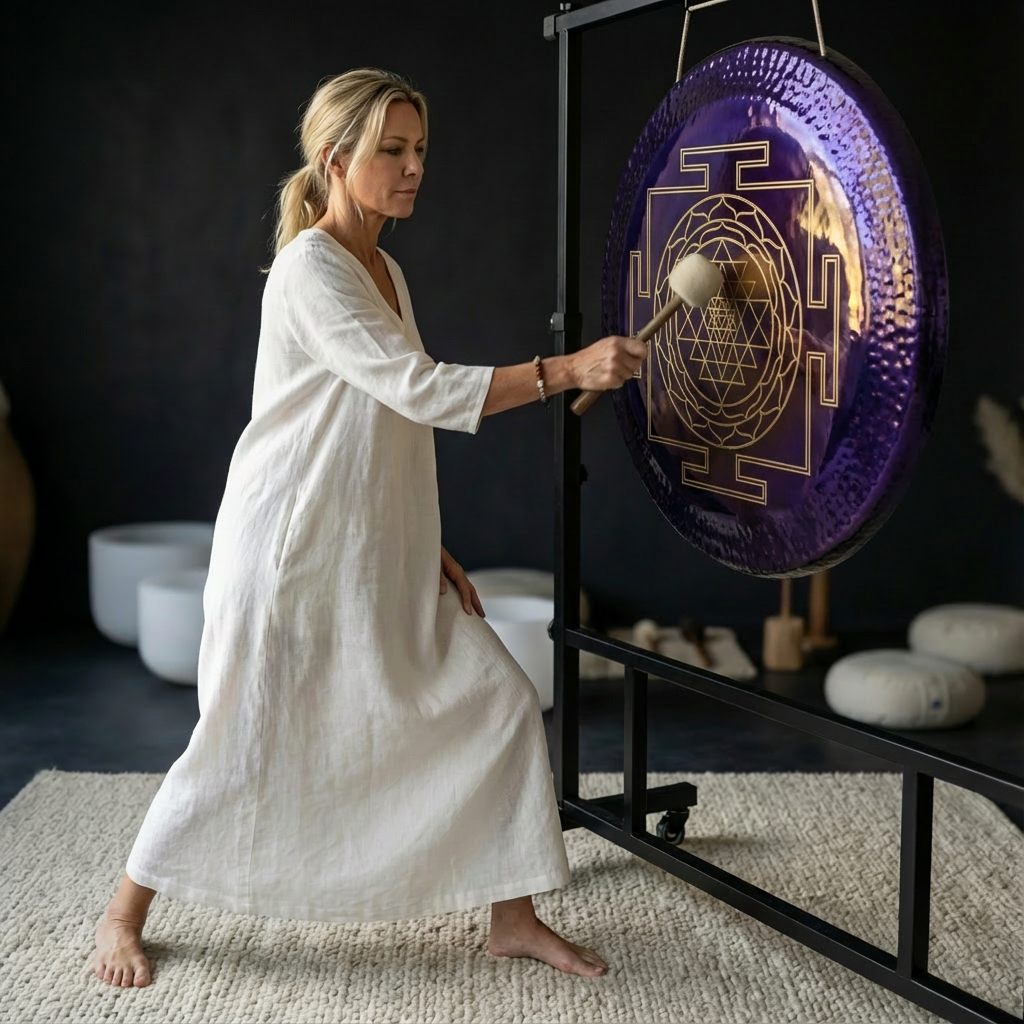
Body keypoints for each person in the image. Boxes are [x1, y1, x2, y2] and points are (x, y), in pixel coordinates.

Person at [92, 68, 647, 989]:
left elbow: (381, 419)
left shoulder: (388, 268)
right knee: (241, 740)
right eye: (393, 149)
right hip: (290, 553)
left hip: (366, 547)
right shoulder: (314, 267)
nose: (413, 166)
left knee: (500, 702)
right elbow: (422, 391)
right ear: (335, 158)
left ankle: (512, 917)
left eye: (420, 149)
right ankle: (121, 914)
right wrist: (567, 369)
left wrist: (418, 540)